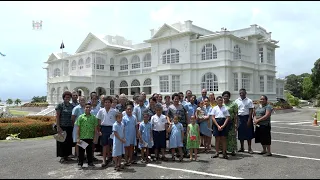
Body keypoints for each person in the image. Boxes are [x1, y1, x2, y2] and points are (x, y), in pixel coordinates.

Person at [76, 103, 99, 169]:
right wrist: (78, 137)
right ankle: (80, 163)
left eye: (89, 107)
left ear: (91, 109)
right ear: (84, 108)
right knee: (81, 152)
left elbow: (95, 129)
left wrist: (95, 137)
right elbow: (78, 128)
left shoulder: (93, 117)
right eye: (86, 107)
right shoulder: (81, 117)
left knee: (89, 151)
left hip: (90, 137)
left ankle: (90, 163)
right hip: (82, 137)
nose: (88, 108)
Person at [96, 96, 117, 167]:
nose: (107, 104)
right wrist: (99, 131)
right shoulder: (101, 110)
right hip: (104, 129)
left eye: (109, 102)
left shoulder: (114, 111)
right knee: (104, 145)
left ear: (111, 103)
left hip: (112, 129)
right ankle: (104, 160)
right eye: (106, 102)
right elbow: (98, 121)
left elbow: (117, 121)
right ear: (104, 103)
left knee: (112, 145)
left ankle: (112, 159)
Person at [55, 91, 75, 163]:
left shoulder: (72, 106)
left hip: (69, 126)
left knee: (68, 142)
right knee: (61, 142)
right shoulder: (60, 105)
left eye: (69, 97)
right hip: (62, 126)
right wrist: (58, 126)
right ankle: (62, 156)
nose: (67, 98)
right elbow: (57, 116)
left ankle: (67, 155)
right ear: (63, 98)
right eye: (66, 97)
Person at [168, 93, 189, 157]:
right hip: (174, 126)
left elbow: (186, 114)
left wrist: (188, 123)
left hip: (183, 125)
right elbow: (167, 116)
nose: (176, 100)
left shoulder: (182, 106)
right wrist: (169, 122)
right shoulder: (170, 107)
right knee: (175, 139)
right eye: (175, 99)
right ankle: (177, 153)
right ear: (173, 99)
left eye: (177, 99)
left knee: (183, 139)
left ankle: (185, 152)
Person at [235, 89, 254, 154]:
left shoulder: (249, 101)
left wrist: (249, 120)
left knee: (249, 133)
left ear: (246, 93)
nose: (241, 94)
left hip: (247, 117)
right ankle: (242, 147)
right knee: (241, 133)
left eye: (243, 93)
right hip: (240, 118)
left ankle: (249, 148)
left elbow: (251, 110)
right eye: (240, 93)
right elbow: (236, 111)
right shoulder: (237, 101)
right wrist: (236, 121)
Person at [222, 91, 238, 156]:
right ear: (222, 96)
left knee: (231, 136)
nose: (226, 97)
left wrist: (236, 123)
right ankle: (223, 149)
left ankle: (232, 150)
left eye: (227, 96)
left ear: (229, 97)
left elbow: (236, 115)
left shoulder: (233, 104)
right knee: (223, 137)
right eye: (224, 96)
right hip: (222, 122)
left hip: (231, 122)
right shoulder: (220, 103)